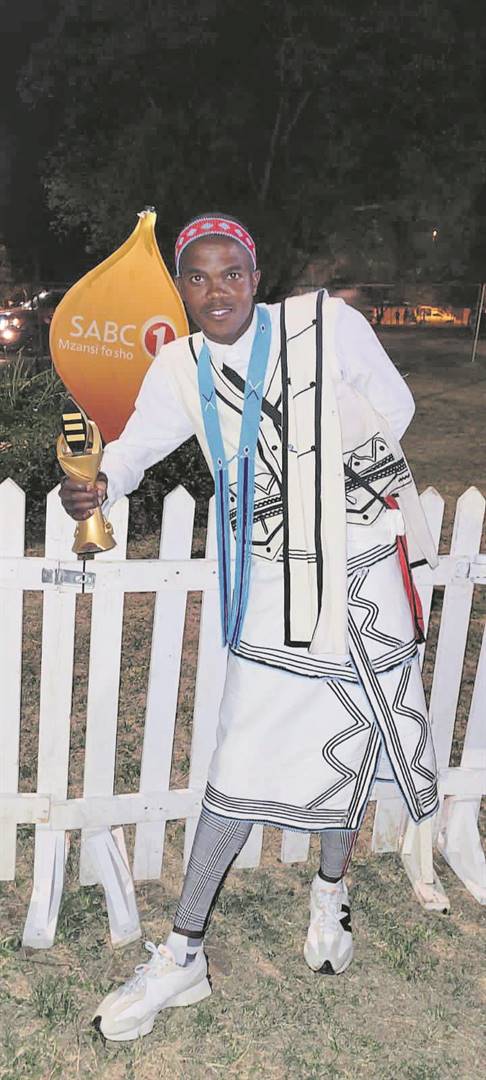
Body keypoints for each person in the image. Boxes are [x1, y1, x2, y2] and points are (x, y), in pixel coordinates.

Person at [60, 213, 439, 1043]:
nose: (216, 290)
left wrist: (318, 483)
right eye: (197, 277)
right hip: (271, 582)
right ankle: (184, 952)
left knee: (352, 734)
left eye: (230, 272)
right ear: (182, 288)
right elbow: (135, 448)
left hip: (361, 568)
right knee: (236, 762)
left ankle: (331, 893)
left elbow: (397, 409)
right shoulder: (181, 365)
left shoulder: (325, 325)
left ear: (255, 276)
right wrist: (100, 484)